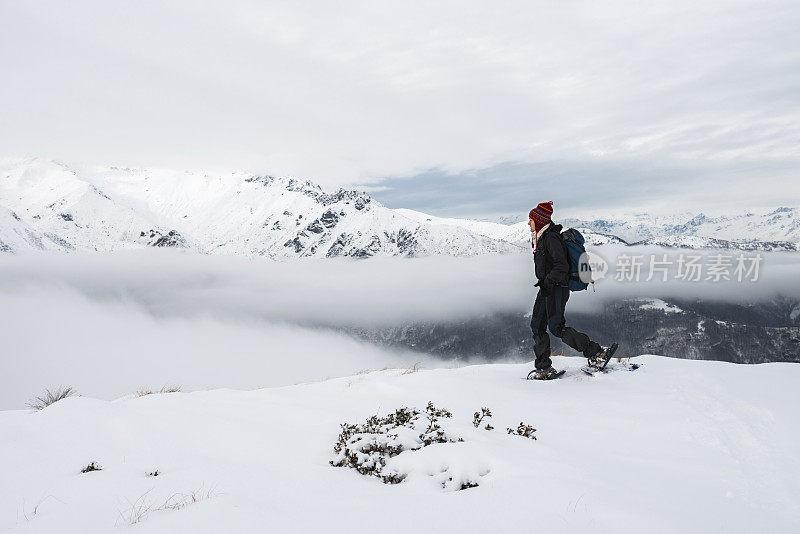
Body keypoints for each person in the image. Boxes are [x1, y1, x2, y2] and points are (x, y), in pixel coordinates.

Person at [528, 201, 614, 379]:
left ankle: (597, 352)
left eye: (531, 220)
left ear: (539, 221)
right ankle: (543, 368)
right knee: (537, 325)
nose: (528, 224)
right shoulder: (542, 238)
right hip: (547, 287)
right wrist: (544, 283)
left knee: (556, 327)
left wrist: (549, 282)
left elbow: (561, 266)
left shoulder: (550, 238)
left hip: (557, 287)